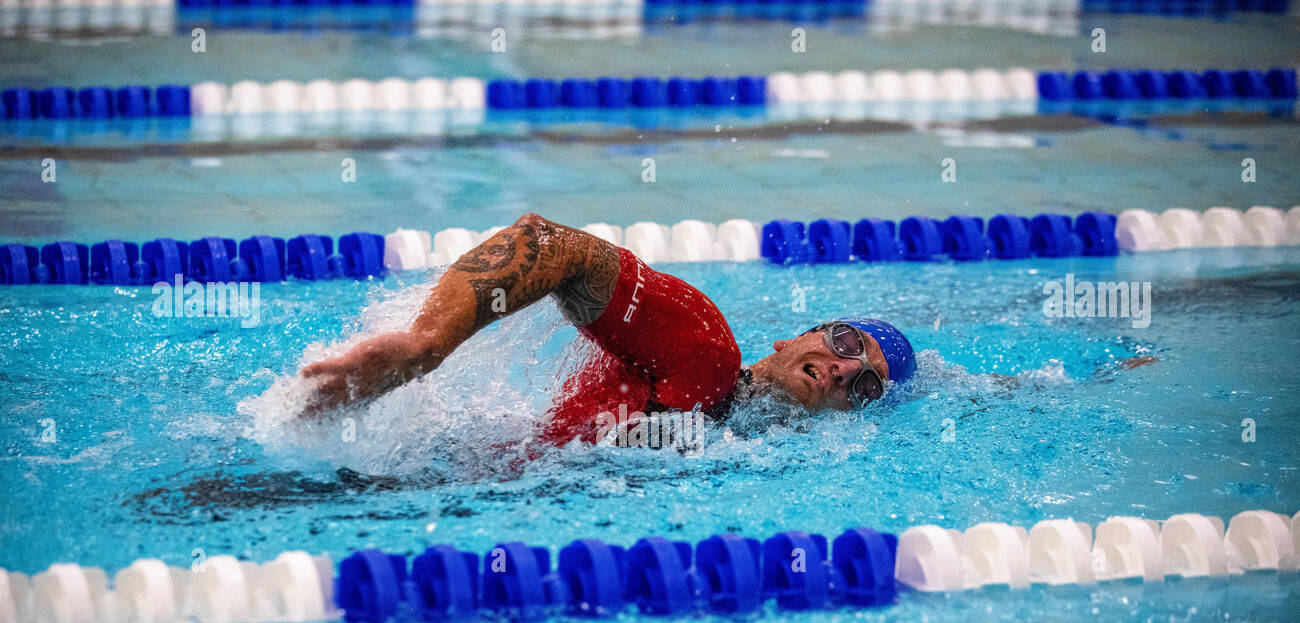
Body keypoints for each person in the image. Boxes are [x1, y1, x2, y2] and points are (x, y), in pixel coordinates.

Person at [301, 213, 917, 446]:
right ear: (794, 338)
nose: (842, 369)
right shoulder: (704, 350)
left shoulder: (759, 450)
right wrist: (427, 345)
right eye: (845, 344)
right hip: (449, 483)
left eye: (863, 387)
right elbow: (554, 246)